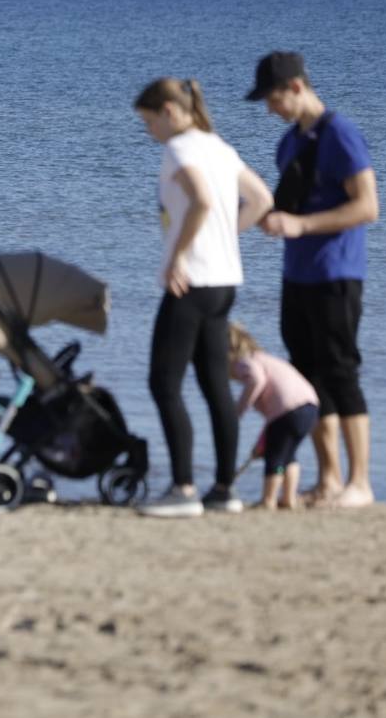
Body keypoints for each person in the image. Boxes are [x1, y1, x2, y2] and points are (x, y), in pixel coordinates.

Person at [133, 78, 274, 518]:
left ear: (171, 112)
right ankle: (225, 490)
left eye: (148, 121)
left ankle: (183, 489)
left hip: (191, 282)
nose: (148, 131)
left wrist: (178, 256)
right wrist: (222, 238)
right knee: (214, 387)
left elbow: (201, 201)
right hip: (224, 282)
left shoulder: (180, 149)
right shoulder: (220, 147)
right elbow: (262, 200)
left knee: (164, 383)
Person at [247, 50, 379, 508]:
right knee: (307, 378)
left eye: (273, 98)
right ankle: (329, 480)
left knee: (340, 372)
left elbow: (367, 206)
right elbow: (288, 207)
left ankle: (360, 482)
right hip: (295, 275)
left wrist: (302, 226)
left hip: (336, 273)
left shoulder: (340, 134)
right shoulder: (289, 143)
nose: (269, 109)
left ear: (297, 87)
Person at [228, 322, 320, 510]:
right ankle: (288, 498)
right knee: (288, 455)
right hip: (310, 407)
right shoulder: (264, 358)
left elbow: (256, 380)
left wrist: (238, 410)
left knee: (275, 458)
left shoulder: (245, 361)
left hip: (289, 410)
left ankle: (268, 499)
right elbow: (273, 425)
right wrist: (261, 443)